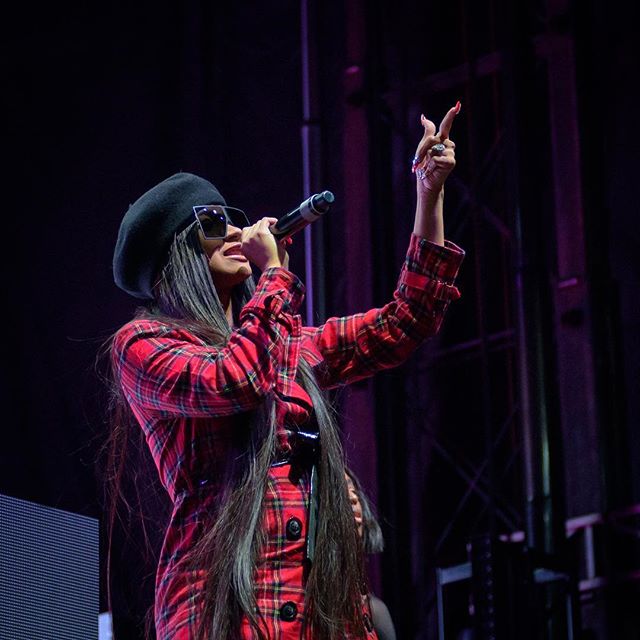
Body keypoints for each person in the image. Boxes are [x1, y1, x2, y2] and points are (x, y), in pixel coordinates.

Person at [106, 104, 464, 640]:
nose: (232, 229)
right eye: (210, 223)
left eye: (231, 214)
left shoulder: (287, 346)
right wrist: (274, 274)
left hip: (318, 605)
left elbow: (405, 322)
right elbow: (233, 380)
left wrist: (428, 191)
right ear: (176, 255)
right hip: (224, 602)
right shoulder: (144, 344)